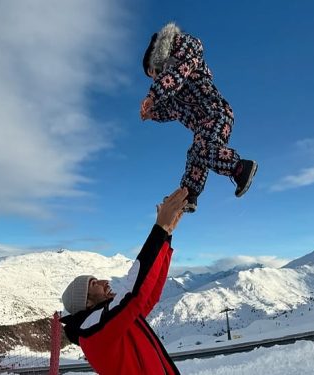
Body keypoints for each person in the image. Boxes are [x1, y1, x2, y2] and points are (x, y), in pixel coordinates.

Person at [60, 187, 188, 375]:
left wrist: (166, 235)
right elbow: (133, 294)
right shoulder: (92, 329)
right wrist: (159, 230)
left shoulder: (112, 323)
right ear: (86, 302)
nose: (104, 281)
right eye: (94, 284)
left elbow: (149, 294)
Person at [141, 21, 258, 213]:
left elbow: (177, 73)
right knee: (195, 154)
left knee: (204, 150)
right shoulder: (175, 92)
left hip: (216, 113)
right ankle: (189, 195)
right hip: (204, 124)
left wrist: (153, 95)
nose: (154, 79)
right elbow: (171, 110)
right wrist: (152, 114)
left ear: (158, 60)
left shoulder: (185, 54)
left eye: (152, 73)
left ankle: (239, 167)